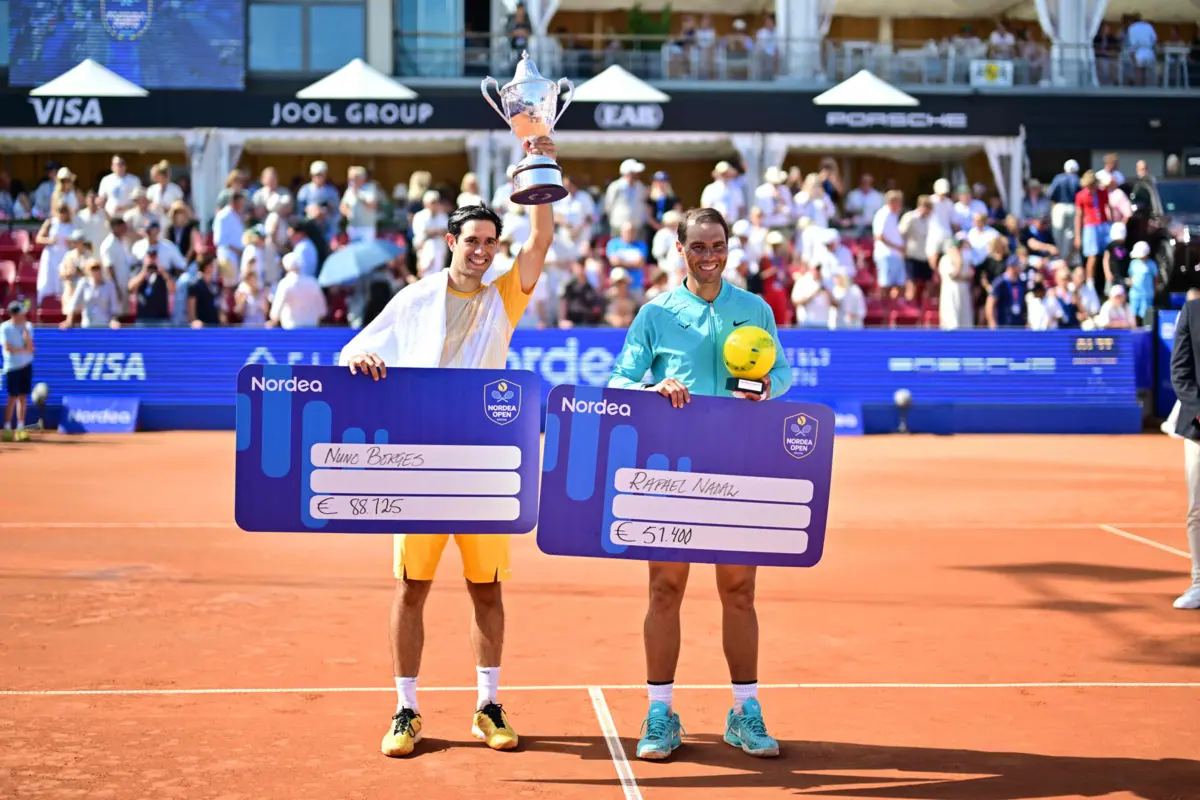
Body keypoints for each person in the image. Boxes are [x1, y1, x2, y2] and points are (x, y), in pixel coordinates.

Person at [338, 137, 557, 759]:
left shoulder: (504, 298)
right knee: (412, 587)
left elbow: (539, 238)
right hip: (418, 464)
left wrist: (537, 152)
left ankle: (488, 703)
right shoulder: (413, 299)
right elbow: (354, 350)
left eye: (491, 242)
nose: (483, 251)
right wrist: (366, 359)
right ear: (451, 243)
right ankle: (406, 709)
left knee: (486, 590)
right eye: (473, 241)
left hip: (487, 465)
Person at [607, 206, 793, 762]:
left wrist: (767, 390)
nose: (709, 257)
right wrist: (653, 388)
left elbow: (780, 373)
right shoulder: (656, 313)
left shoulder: (754, 308)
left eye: (717, 246)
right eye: (698, 248)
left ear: (728, 248)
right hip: (671, 470)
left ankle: (744, 711)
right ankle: (661, 712)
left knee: (739, 591)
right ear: (680, 249)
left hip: (739, 463)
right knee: (666, 591)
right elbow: (620, 380)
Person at [1169, 295, 1200, 610]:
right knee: (1198, 509)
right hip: (1199, 428)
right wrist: (1198, 411)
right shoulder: (1192, 312)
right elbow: (1180, 370)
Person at [2, 300, 35, 442]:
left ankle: (20, 428)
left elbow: (30, 347)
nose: (24, 315)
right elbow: (7, 348)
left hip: (26, 366)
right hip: (12, 367)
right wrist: (24, 350)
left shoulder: (28, 326)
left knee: (23, 397)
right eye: (21, 313)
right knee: (12, 397)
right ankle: (8, 428)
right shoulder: (4, 328)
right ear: (14, 315)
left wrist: (26, 337)